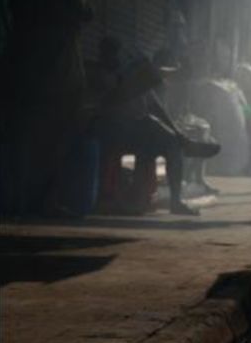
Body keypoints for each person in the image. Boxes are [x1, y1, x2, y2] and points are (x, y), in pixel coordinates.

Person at [2, 0, 94, 214]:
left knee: (21, 142)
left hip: (20, 75)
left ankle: (18, 200)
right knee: (53, 144)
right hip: (55, 81)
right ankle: (46, 202)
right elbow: (88, 14)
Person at [89, 37, 220, 216]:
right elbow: (102, 106)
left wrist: (176, 132)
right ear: (103, 55)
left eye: (117, 53)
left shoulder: (130, 74)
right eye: (110, 53)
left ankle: (176, 200)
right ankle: (184, 144)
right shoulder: (99, 75)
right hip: (114, 129)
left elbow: (155, 106)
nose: (115, 57)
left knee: (172, 142)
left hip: (140, 127)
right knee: (155, 132)